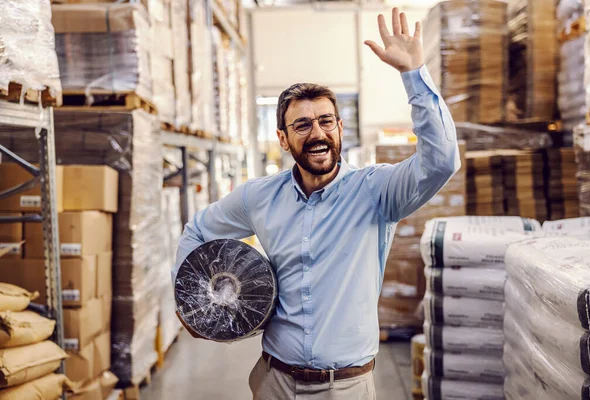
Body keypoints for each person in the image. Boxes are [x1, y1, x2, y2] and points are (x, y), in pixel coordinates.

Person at [173, 8, 460, 400]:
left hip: (345, 387)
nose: (317, 133)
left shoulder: (376, 192)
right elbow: (199, 230)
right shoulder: (259, 197)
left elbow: (441, 160)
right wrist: (190, 300)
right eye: (302, 125)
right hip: (274, 380)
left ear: (340, 129)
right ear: (283, 138)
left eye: (326, 121)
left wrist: (413, 73)